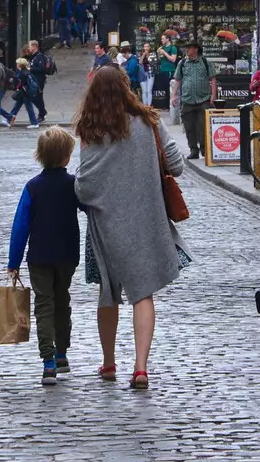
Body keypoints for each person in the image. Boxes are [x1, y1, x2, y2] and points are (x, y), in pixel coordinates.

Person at [74, 66, 187, 391]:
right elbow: (176, 165)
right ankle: (140, 368)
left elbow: (85, 188)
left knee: (106, 292)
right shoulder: (149, 121)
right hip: (145, 219)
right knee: (143, 292)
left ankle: (108, 362)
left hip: (105, 224)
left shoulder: (90, 128)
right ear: (127, 88)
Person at [7, 127, 83, 386]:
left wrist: (13, 262)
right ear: (67, 157)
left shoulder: (33, 187)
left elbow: (20, 226)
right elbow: (91, 207)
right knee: (63, 301)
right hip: (67, 255)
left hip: (39, 255)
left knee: (44, 306)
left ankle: (48, 362)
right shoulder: (73, 185)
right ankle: (62, 353)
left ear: (39, 156)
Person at [172, 40, 217, 159]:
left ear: (196, 49)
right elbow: (177, 80)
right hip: (187, 99)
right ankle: (193, 150)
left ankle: (204, 150)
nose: (187, 50)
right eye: (186, 48)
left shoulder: (205, 62)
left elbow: (212, 79)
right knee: (189, 127)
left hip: (203, 99)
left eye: (189, 48)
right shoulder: (182, 63)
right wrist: (174, 95)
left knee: (203, 127)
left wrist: (213, 95)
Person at [2, 58, 41, 129]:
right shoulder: (26, 71)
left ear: (19, 65)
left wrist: (13, 82)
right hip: (24, 93)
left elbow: (20, 84)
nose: (16, 64)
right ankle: (9, 119)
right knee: (16, 107)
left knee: (29, 108)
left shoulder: (22, 73)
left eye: (17, 63)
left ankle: (35, 123)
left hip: (25, 93)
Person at [27, 40, 54, 123]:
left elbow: (42, 69)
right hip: (34, 80)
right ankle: (42, 112)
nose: (29, 48)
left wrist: (30, 69)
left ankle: (41, 114)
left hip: (39, 80)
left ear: (35, 47)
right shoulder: (33, 56)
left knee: (38, 96)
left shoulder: (40, 56)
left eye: (30, 46)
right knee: (34, 97)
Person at [155, 33, 181, 113]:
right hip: (163, 70)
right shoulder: (162, 47)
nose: (162, 40)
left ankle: (173, 106)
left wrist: (165, 53)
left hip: (170, 70)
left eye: (163, 38)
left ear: (167, 39)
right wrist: (159, 53)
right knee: (165, 89)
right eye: (161, 39)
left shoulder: (173, 48)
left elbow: (173, 59)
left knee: (172, 89)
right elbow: (160, 59)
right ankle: (166, 106)